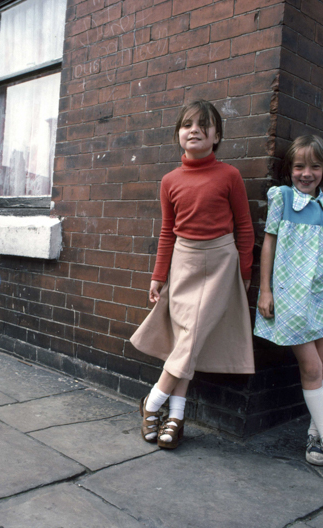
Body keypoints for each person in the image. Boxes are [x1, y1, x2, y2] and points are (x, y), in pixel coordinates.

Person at [130, 100, 255, 449]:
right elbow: (167, 231)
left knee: (192, 334)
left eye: (204, 125)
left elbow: (245, 227)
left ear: (217, 136)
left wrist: (244, 274)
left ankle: (153, 402)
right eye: (187, 125)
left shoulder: (229, 176)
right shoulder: (170, 181)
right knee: (188, 339)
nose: (195, 130)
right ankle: (176, 416)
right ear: (178, 136)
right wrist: (158, 275)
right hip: (183, 262)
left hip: (220, 264)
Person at [254, 135, 323, 475]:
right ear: (290, 169)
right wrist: (265, 291)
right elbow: (268, 244)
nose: (306, 173)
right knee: (312, 368)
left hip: (322, 297)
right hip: (290, 299)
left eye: (314, 166)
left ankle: (315, 438)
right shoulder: (281, 198)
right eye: (299, 166)